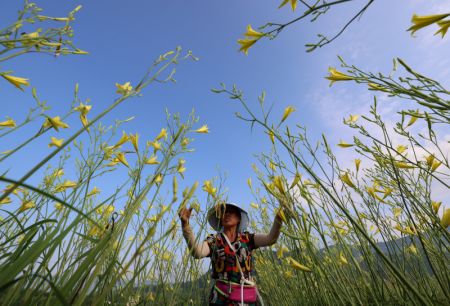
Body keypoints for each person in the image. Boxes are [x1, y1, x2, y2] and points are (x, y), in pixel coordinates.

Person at [179, 202, 283, 306]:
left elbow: (271, 239)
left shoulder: (247, 238)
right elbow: (197, 252)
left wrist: (279, 218)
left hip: (246, 299)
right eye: (224, 212)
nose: (227, 214)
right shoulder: (214, 240)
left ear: (239, 218)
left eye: (231, 212)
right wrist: (185, 225)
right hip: (221, 299)